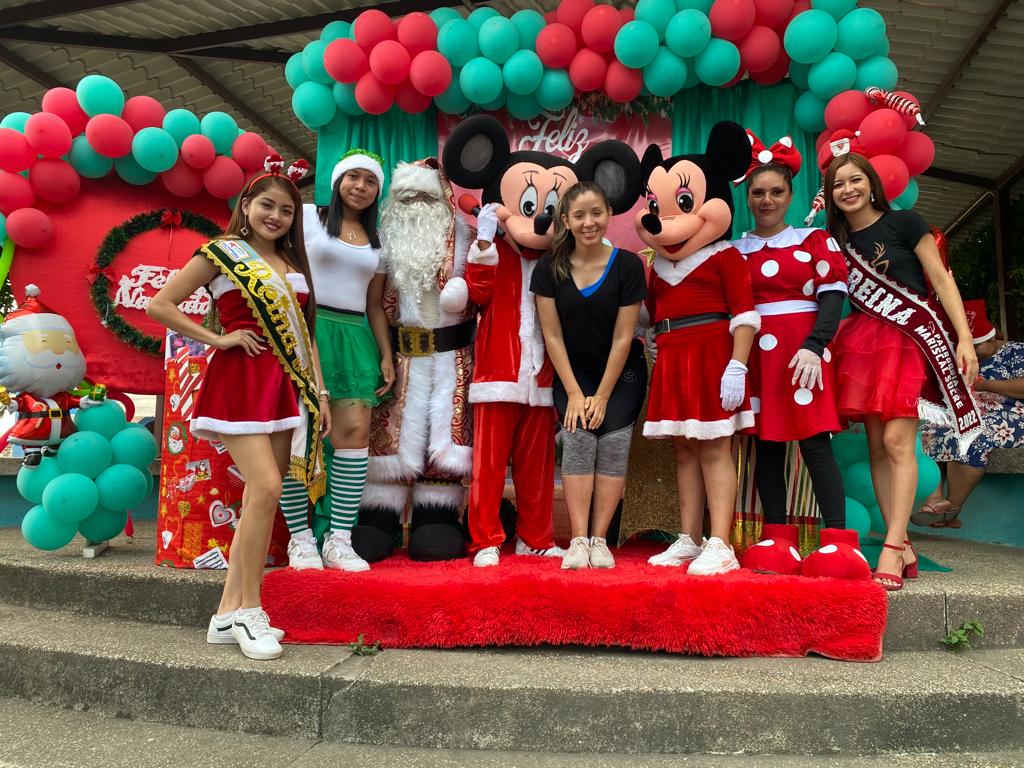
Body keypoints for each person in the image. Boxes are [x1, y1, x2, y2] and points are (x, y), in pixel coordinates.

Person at [147, 157, 328, 660]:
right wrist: (218, 339)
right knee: (267, 486)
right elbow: (160, 305)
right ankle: (251, 610)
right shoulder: (222, 254)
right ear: (246, 205)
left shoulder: (293, 267)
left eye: (287, 211)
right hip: (240, 383)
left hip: (285, 387)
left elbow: (307, 336)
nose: (276, 216)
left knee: (258, 497)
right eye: (267, 205)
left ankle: (226, 616)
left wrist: (319, 393)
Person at [826, 152, 979, 591]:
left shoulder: (905, 222)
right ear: (831, 195)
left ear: (871, 184)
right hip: (862, 344)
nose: (848, 189)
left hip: (908, 339)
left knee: (897, 442)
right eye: (839, 184)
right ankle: (903, 543)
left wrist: (964, 338)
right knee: (877, 446)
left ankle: (892, 545)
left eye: (855, 180)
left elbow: (941, 279)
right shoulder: (835, 241)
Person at [731, 133, 868, 579]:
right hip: (758, 356)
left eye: (776, 192)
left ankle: (839, 542)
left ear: (790, 195)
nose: (767, 200)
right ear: (747, 197)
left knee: (814, 444)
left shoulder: (814, 240)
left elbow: (834, 295)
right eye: (758, 192)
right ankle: (777, 539)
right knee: (767, 445)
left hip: (804, 354)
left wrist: (815, 345)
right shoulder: (735, 250)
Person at [634, 121, 759, 576]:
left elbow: (745, 315)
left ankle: (720, 542)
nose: (662, 221)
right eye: (655, 207)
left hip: (712, 358)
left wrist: (737, 366)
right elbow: (649, 315)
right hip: (673, 361)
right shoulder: (657, 269)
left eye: (681, 205)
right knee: (684, 450)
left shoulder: (726, 256)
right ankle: (689, 538)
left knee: (714, 449)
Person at [281, 149, 395, 572]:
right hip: (307, 328)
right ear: (338, 181)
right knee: (298, 434)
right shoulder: (307, 219)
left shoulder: (379, 241)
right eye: (354, 177)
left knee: (353, 435)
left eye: (370, 181)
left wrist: (386, 353)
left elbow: (374, 305)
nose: (361, 187)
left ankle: (339, 539)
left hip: (355, 337)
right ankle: (300, 539)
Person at [358, 158, 474, 562]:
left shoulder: (467, 242)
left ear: (442, 202)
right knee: (390, 434)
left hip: (451, 357)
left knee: (442, 437)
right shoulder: (381, 244)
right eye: (405, 199)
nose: (414, 207)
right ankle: (379, 515)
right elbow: (372, 303)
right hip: (400, 354)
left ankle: (435, 515)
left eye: (424, 198)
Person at [531, 181, 647, 570]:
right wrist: (576, 393)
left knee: (613, 445)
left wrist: (602, 395)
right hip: (572, 374)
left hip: (621, 373)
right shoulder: (549, 267)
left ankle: (600, 539)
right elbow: (552, 335)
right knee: (579, 439)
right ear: (566, 220)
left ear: (609, 215)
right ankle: (578, 540)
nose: (589, 222)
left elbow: (623, 336)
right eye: (579, 215)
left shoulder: (628, 266)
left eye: (596, 213)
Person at [916, 301, 1024, 527]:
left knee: (973, 435)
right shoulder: (959, 355)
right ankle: (935, 500)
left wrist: (986, 385)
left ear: (992, 337)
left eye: (976, 345)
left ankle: (952, 508)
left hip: (1011, 415)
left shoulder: (1017, 351)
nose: (970, 352)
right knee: (929, 430)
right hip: (969, 413)